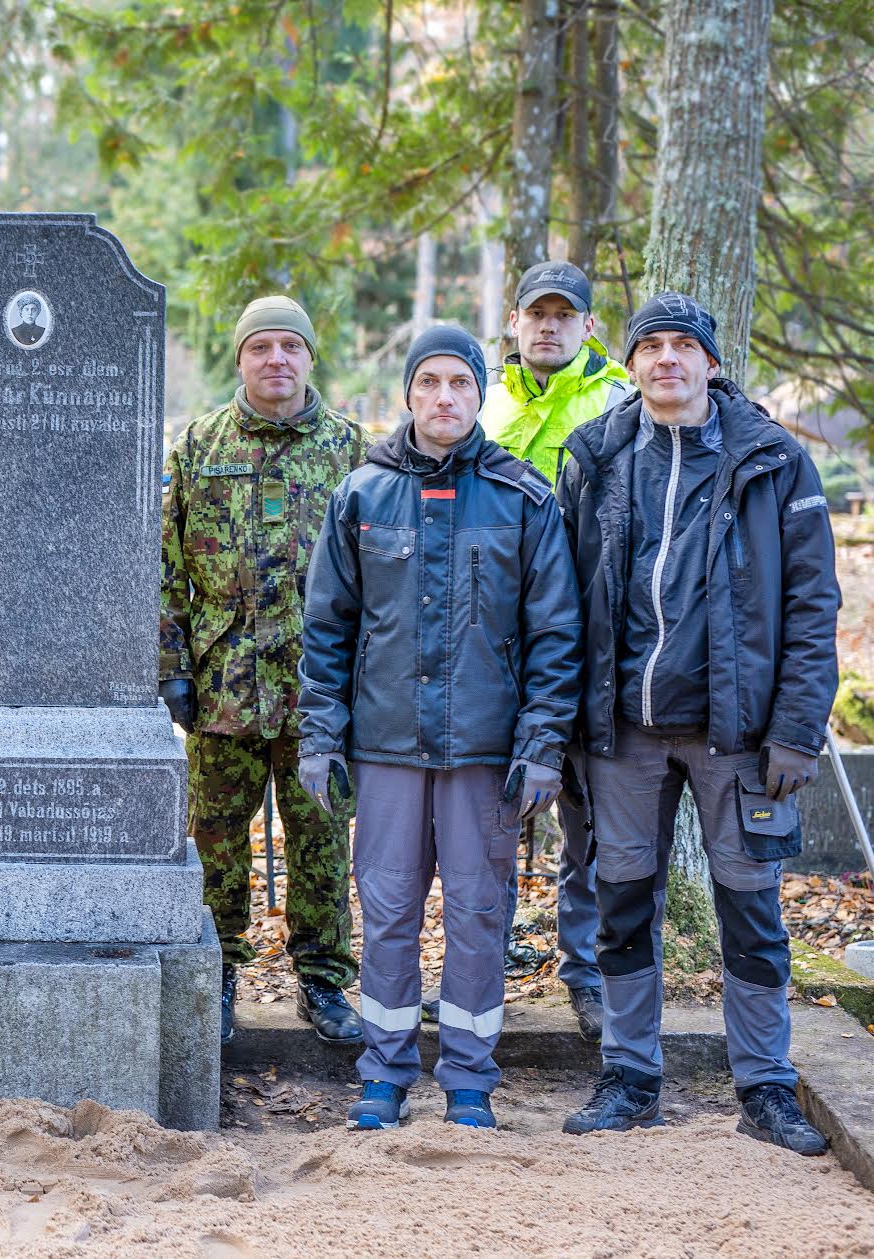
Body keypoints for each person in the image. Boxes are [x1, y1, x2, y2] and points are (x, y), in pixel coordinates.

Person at [557, 293, 839, 1155]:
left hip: (740, 735)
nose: (668, 360)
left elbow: (812, 602)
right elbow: (560, 599)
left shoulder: (774, 462)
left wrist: (796, 727)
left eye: (685, 346)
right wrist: (567, 726)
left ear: (713, 363)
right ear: (631, 362)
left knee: (751, 911)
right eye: (653, 346)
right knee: (623, 906)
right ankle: (631, 1077)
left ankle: (764, 1084)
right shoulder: (595, 456)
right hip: (624, 734)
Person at [298, 325, 581, 1131]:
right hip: (385, 746)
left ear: (480, 392)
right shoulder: (361, 495)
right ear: (410, 394)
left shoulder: (524, 498)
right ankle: (383, 1073)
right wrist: (321, 735)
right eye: (430, 382)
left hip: (485, 752)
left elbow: (556, 636)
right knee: (386, 909)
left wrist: (541, 744)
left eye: (461, 382)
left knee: (478, 911)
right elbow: (327, 626)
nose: (445, 397)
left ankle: (467, 1077)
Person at [160, 295, 365, 1047]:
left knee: (320, 839)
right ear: (240, 357)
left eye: (290, 346)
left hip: (320, 693)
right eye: (261, 347)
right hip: (223, 688)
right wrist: (174, 665)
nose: (276, 359)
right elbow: (165, 564)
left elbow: (376, 573)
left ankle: (323, 979)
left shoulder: (350, 448)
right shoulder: (199, 444)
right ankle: (216, 971)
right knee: (215, 840)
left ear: (310, 357)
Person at [475, 259, 630, 1038]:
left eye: (565, 314)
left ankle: (589, 973)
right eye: (536, 312)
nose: (548, 325)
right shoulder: (482, 400)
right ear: (513, 322)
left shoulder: (620, 401)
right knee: (490, 818)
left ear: (589, 327)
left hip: (597, 646)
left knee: (593, 823)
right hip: (496, 643)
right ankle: (481, 969)